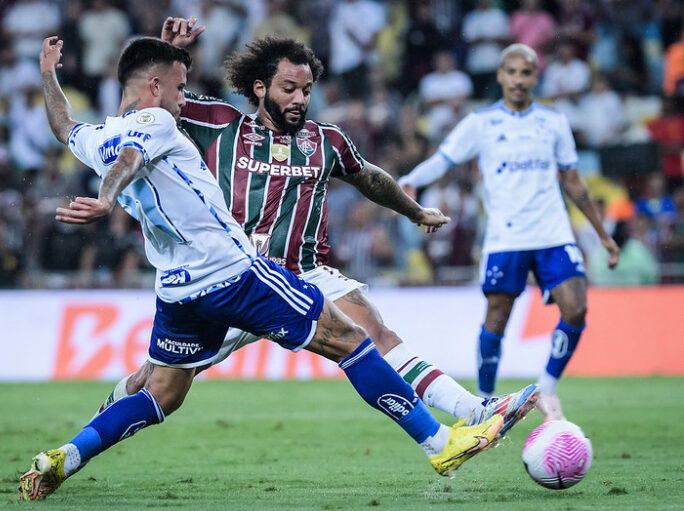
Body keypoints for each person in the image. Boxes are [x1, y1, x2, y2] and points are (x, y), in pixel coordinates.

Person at [19, 35, 501, 501]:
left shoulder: (98, 136)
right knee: (351, 340)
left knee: (162, 393)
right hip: (234, 271)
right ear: (154, 87)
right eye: (180, 87)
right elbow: (132, 157)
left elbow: (64, 125)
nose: (185, 99)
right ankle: (441, 444)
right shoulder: (159, 122)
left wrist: (47, 75)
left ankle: (67, 455)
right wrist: (106, 199)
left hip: (177, 290)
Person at [98, 17, 539, 443]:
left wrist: (415, 211)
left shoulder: (325, 140)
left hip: (304, 274)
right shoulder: (220, 124)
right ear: (259, 87)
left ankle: (476, 411)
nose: (299, 99)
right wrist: (168, 53)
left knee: (376, 334)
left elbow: (369, 177)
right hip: (233, 277)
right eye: (288, 88)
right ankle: (99, 423)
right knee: (157, 383)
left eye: (306, 90)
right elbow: (143, 103)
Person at [399, 43, 621, 421]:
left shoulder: (553, 122)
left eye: (527, 72)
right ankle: (485, 403)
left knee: (577, 308)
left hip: (553, 234)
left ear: (536, 77)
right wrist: (409, 181)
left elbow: (574, 181)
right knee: (497, 318)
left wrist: (602, 234)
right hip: (506, 238)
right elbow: (443, 159)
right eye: (512, 72)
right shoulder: (481, 123)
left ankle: (547, 390)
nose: (519, 79)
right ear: (500, 76)